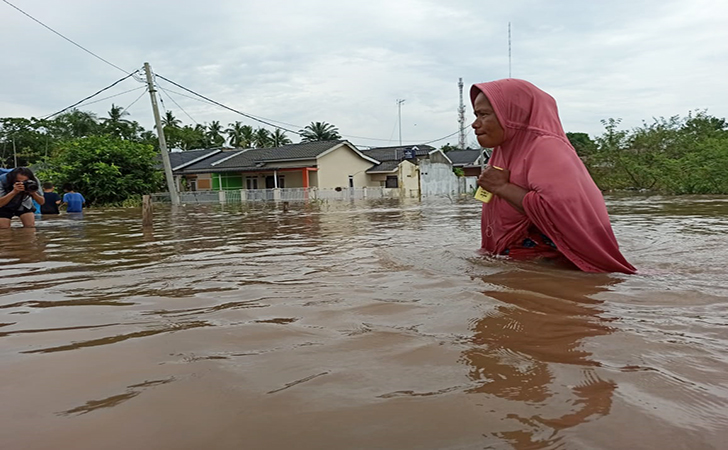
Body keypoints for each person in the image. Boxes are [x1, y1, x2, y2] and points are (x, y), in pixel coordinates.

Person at [471, 78, 635, 274]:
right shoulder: (503, 151)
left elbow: (561, 208)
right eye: (475, 115)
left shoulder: (546, 147)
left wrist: (502, 188)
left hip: (552, 267)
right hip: (517, 263)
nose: (475, 124)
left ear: (511, 114)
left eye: (483, 115)